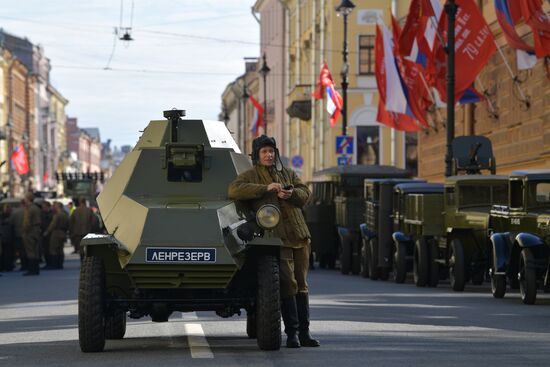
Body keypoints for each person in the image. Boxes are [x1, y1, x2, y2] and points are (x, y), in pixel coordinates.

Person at [228, 135, 320, 348]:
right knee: (288, 284)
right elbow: (234, 190)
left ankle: (304, 333)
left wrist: (291, 194)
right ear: (257, 156)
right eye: (264, 152)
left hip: (298, 235)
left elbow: (305, 193)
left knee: (302, 285)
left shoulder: (286, 172)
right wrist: (265, 188)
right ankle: (293, 334)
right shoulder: (250, 175)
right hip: (276, 239)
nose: (269, 155)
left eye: (272, 151)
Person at [44, 202, 69, 270]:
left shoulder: (57, 215)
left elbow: (53, 225)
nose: (54, 207)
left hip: (56, 233)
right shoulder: (65, 215)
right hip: (63, 233)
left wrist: (47, 232)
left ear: (58, 207)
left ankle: (55, 264)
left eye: (55, 206)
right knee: (60, 249)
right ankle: (60, 264)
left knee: (53, 249)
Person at [21, 193, 42, 275]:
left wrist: (24, 232)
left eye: (25, 198)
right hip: (36, 230)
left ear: (28, 199)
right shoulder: (36, 208)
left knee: (30, 251)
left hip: (30, 232)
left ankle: (32, 270)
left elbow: (27, 222)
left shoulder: (30, 209)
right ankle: (36, 269)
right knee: (35, 250)